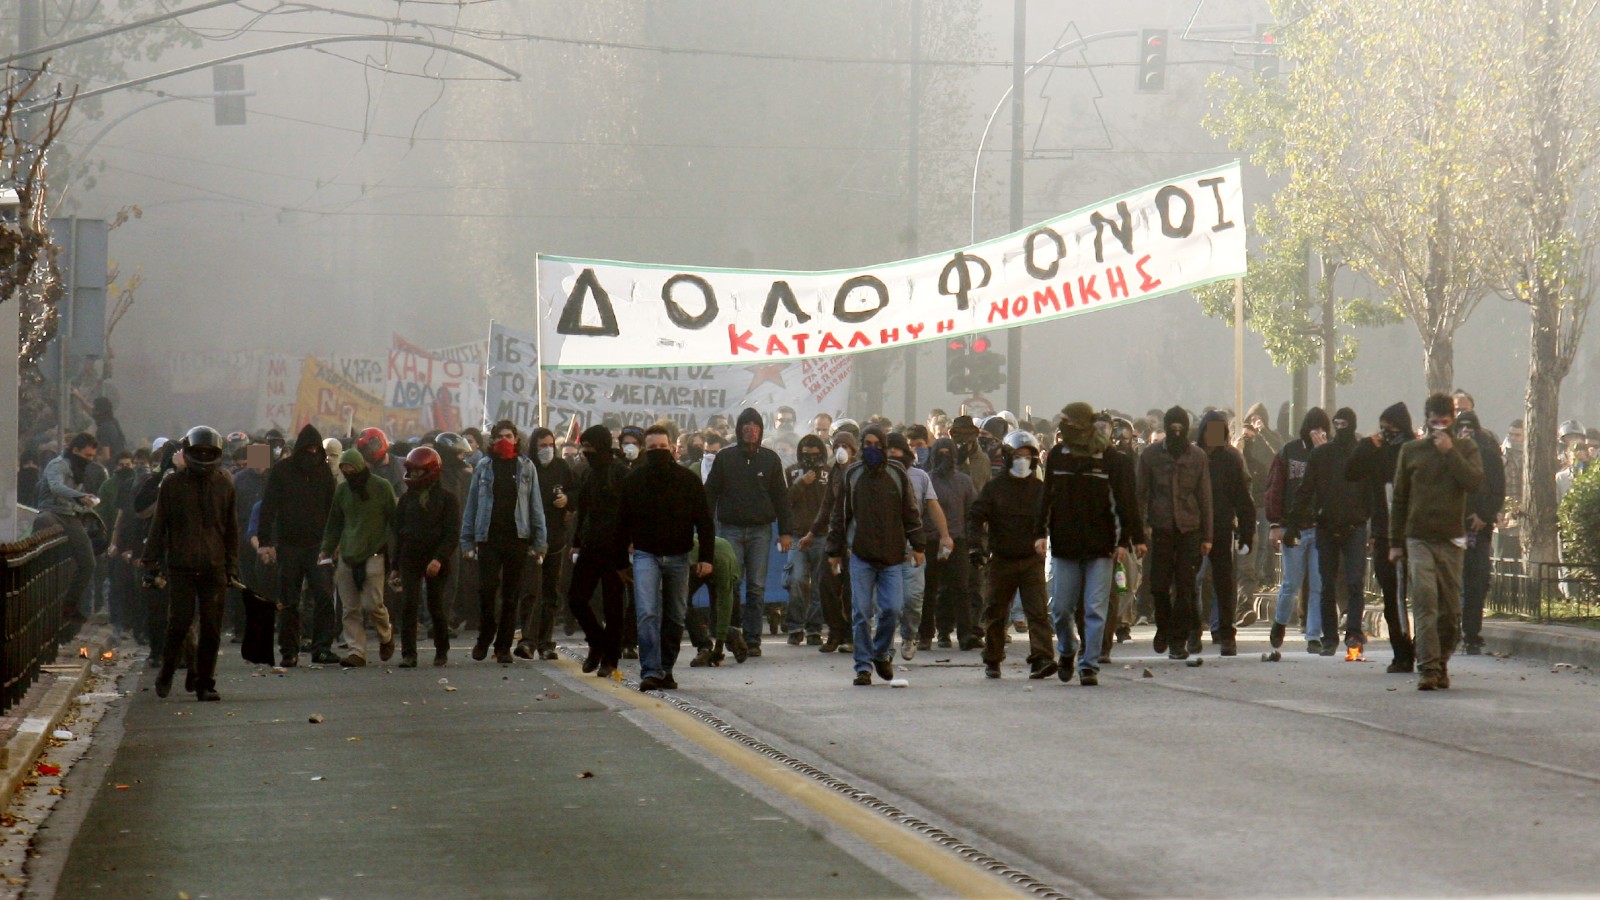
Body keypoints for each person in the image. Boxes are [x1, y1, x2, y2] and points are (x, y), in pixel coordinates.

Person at [1038, 403, 1145, 685]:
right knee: (1061, 609)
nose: (1064, 429)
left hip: (1102, 546)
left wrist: (1128, 541)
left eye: (1069, 423)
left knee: (1095, 608)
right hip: (1064, 544)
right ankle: (1067, 650)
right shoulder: (1058, 457)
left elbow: (1125, 503)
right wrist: (1040, 532)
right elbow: (1046, 497)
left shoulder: (1111, 459)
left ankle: (1089, 664)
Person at [1390, 394, 1484, 691]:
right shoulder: (1411, 451)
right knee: (1425, 599)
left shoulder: (1466, 448)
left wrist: (1449, 452)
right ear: (1426, 421)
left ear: (1452, 421)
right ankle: (1427, 668)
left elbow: (1474, 482)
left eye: (1445, 422)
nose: (1439, 428)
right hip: (1418, 537)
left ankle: (1442, 660)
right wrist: (1395, 542)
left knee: (1449, 610)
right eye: (1434, 422)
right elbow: (1400, 498)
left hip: (1451, 538)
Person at [142, 427, 236, 702]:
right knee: (178, 624)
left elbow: (231, 529)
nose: (203, 456)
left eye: (208, 453)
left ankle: (206, 681)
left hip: (214, 565)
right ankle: (168, 671)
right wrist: (151, 561)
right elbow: (159, 525)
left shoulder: (225, 484)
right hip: (181, 565)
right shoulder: (172, 485)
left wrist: (232, 565)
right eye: (199, 452)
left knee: (211, 628)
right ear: (187, 452)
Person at [619, 425, 715, 691]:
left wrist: (706, 557)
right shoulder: (633, 481)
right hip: (645, 555)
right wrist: (619, 560)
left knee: (675, 615)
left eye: (663, 447)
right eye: (653, 449)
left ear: (672, 448)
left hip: (678, 556)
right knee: (647, 613)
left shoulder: (687, 480)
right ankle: (651, 670)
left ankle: (666, 669)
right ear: (644, 451)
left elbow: (705, 522)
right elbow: (622, 523)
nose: (658, 452)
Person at [828, 425, 923, 685]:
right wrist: (834, 550)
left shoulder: (896, 473)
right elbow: (840, 515)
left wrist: (918, 545)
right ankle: (863, 666)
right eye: (866, 443)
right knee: (861, 612)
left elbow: (910, 511)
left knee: (892, 609)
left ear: (883, 446)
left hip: (893, 555)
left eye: (876, 444)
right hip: (861, 555)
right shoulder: (852, 474)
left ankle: (881, 653)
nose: (872, 448)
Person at [703, 407, 794, 657]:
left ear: (760, 431)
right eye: (746, 426)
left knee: (756, 586)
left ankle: (753, 639)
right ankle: (731, 634)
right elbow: (710, 493)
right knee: (731, 583)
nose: (751, 430)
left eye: (755, 426)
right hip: (730, 529)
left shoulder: (770, 459)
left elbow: (781, 498)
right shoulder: (724, 458)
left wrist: (786, 532)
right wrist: (705, 526)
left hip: (760, 531)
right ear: (739, 430)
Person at [460, 420, 547, 664]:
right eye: (499, 437)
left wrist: (540, 542)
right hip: (488, 538)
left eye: (509, 436)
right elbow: (472, 505)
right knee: (487, 590)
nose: (504, 441)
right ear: (493, 440)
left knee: (511, 595)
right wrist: (467, 541)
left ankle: (503, 646)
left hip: (517, 538)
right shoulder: (484, 466)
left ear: (516, 439)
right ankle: (486, 634)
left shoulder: (526, 467)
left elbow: (535, 506)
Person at [971, 430, 1053, 679]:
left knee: (1037, 612)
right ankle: (993, 659)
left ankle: (1042, 659)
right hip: (1002, 559)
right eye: (1017, 456)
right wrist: (976, 546)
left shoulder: (1041, 489)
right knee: (995, 612)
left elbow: (1054, 518)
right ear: (1007, 457)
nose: (1022, 461)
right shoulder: (994, 488)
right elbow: (976, 516)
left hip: (1031, 560)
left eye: (1027, 456)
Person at [1288, 407, 1370, 655]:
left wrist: (1373, 523)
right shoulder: (1322, 454)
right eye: (1338, 424)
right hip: (1327, 525)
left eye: (1345, 423)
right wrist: (1292, 523)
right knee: (1327, 584)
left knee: (1355, 582)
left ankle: (1353, 632)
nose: (1342, 428)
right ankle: (1330, 636)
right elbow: (1305, 490)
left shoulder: (1363, 454)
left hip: (1355, 525)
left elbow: (1373, 493)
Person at [257, 425, 340, 666]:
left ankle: (322, 648)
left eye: (315, 449)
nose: (311, 453)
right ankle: (289, 651)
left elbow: (332, 510)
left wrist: (333, 542)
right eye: (307, 449)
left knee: (324, 598)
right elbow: (268, 506)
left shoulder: (324, 473)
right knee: (289, 601)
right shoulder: (281, 471)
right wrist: (265, 542)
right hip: (289, 546)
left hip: (318, 546)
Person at [1137, 407, 1212, 661]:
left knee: (1185, 587)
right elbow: (1141, 495)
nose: (1177, 432)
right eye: (1173, 428)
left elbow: (1205, 497)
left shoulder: (1198, 457)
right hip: (1160, 529)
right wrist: (1139, 532)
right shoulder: (1150, 456)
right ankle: (1164, 626)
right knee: (1158, 585)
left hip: (1190, 529)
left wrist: (1207, 537)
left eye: (1181, 428)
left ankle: (1178, 640)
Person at [1346, 402, 1417, 672]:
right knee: (1392, 597)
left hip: (1414, 532)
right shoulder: (1376, 452)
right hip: (1385, 533)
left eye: (1392, 428)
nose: (1387, 433)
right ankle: (1402, 652)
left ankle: (1422, 647)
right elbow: (1351, 472)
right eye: (1383, 427)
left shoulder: (1414, 450)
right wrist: (1366, 447)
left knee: (1421, 597)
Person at [320, 448, 398, 668]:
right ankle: (357, 651)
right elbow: (334, 522)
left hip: (374, 552)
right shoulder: (343, 491)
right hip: (347, 554)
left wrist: (398, 553)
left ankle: (386, 635)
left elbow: (394, 520)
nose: (348, 473)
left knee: (374, 604)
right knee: (349, 607)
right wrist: (326, 548)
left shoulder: (382, 487)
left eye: (351, 469)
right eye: (344, 470)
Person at [1264, 408, 1331, 654]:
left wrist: (1325, 453)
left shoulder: (1329, 452)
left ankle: (1314, 635)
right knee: (1291, 583)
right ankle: (1280, 622)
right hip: (1294, 528)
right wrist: (1275, 524)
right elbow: (1275, 487)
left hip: (1319, 528)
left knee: (1318, 583)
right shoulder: (1289, 451)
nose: (1319, 435)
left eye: (1324, 430)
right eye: (1315, 430)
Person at [569, 425, 630, 678]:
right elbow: (583, 510)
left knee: (613, 606)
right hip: (591, 546)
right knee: (576, 599)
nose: (586, 452)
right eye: (584, 448)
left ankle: (611, 658)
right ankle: (597, 642)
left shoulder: (620, 473)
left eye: (590, 448)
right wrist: (577, 542)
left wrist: (627, 546)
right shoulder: (588, 474)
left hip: (615, 549)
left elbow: (628, 512)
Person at [1193, 410, 1255, 655]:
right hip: (1194, 528)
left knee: (1223, 582)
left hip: (1221, 526)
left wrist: (1246, 532)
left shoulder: (1231, 458)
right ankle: (1192, 631)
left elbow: (1243, 497)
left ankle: (1226, 633)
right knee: (1192, 582)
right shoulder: (1193, 456)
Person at [885, 431, 951, 660]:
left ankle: (909, 635)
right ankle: (886, 645)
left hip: (912, 548)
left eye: (897, 449)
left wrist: (945, 535)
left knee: (913, 599)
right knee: (889, 604)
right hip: (883, 549)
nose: (893, 452)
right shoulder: (874, 475)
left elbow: (932, 506)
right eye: (889, 449)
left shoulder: (920, 477)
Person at [392, 447, 460, 667]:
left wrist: (438, 559)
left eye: (417, 472)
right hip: (410, 558)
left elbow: (452, 534)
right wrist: (395, 566)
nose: (412, 476)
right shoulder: (405, 500)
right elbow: (399, 534)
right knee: (408, 605)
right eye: (411, 471)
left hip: (435, 560)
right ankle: (408, 654)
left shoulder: (447, 500)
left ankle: (442, 650)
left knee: (436, 606)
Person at [517, 427, 575, 661]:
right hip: (531, 540)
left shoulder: (562, 467)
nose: (547, 449)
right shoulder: (525, 467)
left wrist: (567, 499)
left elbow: (574, 491)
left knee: (551, 591)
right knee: (531, 590)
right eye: (542, 445)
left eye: (550, 444)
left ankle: (546, 642)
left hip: (556, 538)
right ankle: (527, 640)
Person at [1453, 410, 1505, 656]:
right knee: (1450, 581)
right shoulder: (1448, 453)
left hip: (1477, 529)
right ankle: (1452, 630)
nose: (1466, 431)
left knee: (1476, 582)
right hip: (1450, 526)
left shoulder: (1489, 455)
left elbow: (1497, 490)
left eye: (1469, 427)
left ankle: (1471, 633)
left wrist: (1483, 515)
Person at [38, 432, 103, 630]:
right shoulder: (58, 465)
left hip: (70, 516)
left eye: (92, 457)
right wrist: (79, 496)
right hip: (52, 512)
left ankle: (70, 605)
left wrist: (87, 507)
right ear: (75, 451)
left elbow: (75, 502)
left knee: (88, 563)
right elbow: (56, 487)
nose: (89, 460)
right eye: (87, 456)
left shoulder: (78, 469)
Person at [800, 430, 857, 654]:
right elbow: (827, 507)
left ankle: (852, 634)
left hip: (856, 538)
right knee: (826, 584)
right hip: (834, 537)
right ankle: (835, 631)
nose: (841, 451)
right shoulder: (835, 473)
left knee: (853, 589)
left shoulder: (859, 472)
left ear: (854, 450)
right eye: (837, 446)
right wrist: (812, 533)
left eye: (846, 446)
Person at [920, 438, 978, 650]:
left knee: (960, 588)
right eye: (940, 453)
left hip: (957, 541)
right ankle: (927, 634)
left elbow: (972, 510)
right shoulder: (926, 480)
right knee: (929, 590)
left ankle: (965, 634)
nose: (944, 456)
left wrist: (973, 540)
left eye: (948, 452)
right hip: (930, 541)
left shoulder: (963, 481)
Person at [783, 434, 831, 645]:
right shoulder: (791, 472)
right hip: (797, 535)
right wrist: (801, 483)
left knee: (820, 584)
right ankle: (795, 627)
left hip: (822, 535)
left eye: (814, 454)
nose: (810, 458)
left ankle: (814, 629)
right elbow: (784, 502)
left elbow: (833, 504)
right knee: (797, 580)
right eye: (806, 454)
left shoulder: (830, 474)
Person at [355, 427, 404, 491]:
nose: (368, 452)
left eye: (372, 446)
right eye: (364, 450)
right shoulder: (364, 472)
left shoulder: (404, 465)